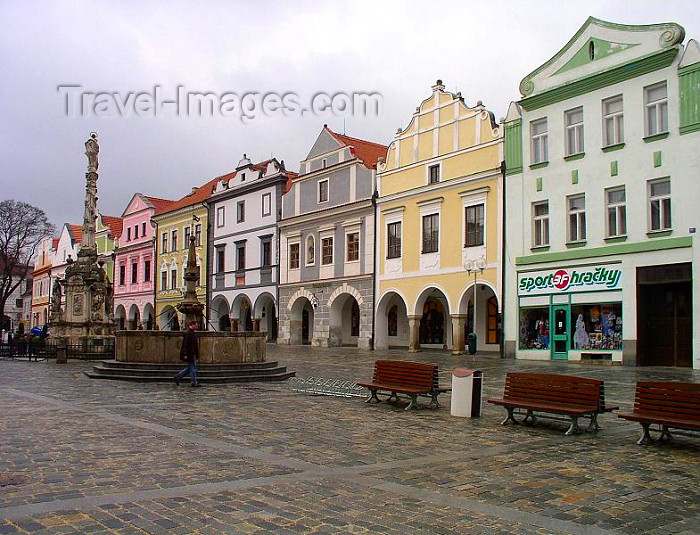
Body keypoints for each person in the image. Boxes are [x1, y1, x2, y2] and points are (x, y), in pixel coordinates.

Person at [175, 320, 200, 387]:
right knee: (193, 368)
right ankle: (194, 382)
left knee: (189, 368)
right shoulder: (188, 333)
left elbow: (195, 345)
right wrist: (185, 354)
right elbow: (185, 344)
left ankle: (178, 377)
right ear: (192, 325)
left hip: (192, 353)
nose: (197, 327)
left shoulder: (192, 333)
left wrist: (197, 354)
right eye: (196, 325)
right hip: (190, 353)